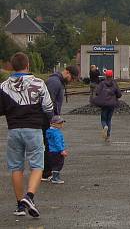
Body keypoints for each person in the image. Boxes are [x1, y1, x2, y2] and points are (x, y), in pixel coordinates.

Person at [0, 52, 54, 218]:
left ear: (12, 66)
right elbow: (48, 108)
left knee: (16, 167)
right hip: (33, 130)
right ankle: (29, 197)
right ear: (28, 65)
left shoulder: (3, 86)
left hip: (13, 130)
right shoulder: (38, 83)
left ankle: (19, 206)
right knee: (37, 165)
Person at [42, 64, 78, 181]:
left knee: (49, 145)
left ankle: (47, 171)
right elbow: (48, 102)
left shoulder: (58, 82)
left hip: (51, 119)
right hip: (48, 120)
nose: (72, 81)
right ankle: (46, 173)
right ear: (67, 72)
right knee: (49, 145)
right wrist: (53, 120)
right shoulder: (54, 82)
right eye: (72, 78)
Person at [91, 69, 121, 143]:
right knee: (109, 120)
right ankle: (108, 137)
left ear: (105, 75)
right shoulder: (114, 83)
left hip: (104, 104)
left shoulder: (102, 83)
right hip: (112, 104)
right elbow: (119, 94)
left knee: (103, 119)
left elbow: (97, 92)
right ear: (112, 75)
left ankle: (105, 127)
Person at [45, 116, 67, 185]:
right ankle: (55, 178)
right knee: (58, 164)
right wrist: (62, 150)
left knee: (54, 164)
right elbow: (58, 143)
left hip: (51, 151)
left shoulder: (49, 131)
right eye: (59, 123)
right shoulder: (56, 133)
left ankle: (53, 176)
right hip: (57, 151)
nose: (61, 125)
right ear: (53, 124)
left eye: (62, 123)